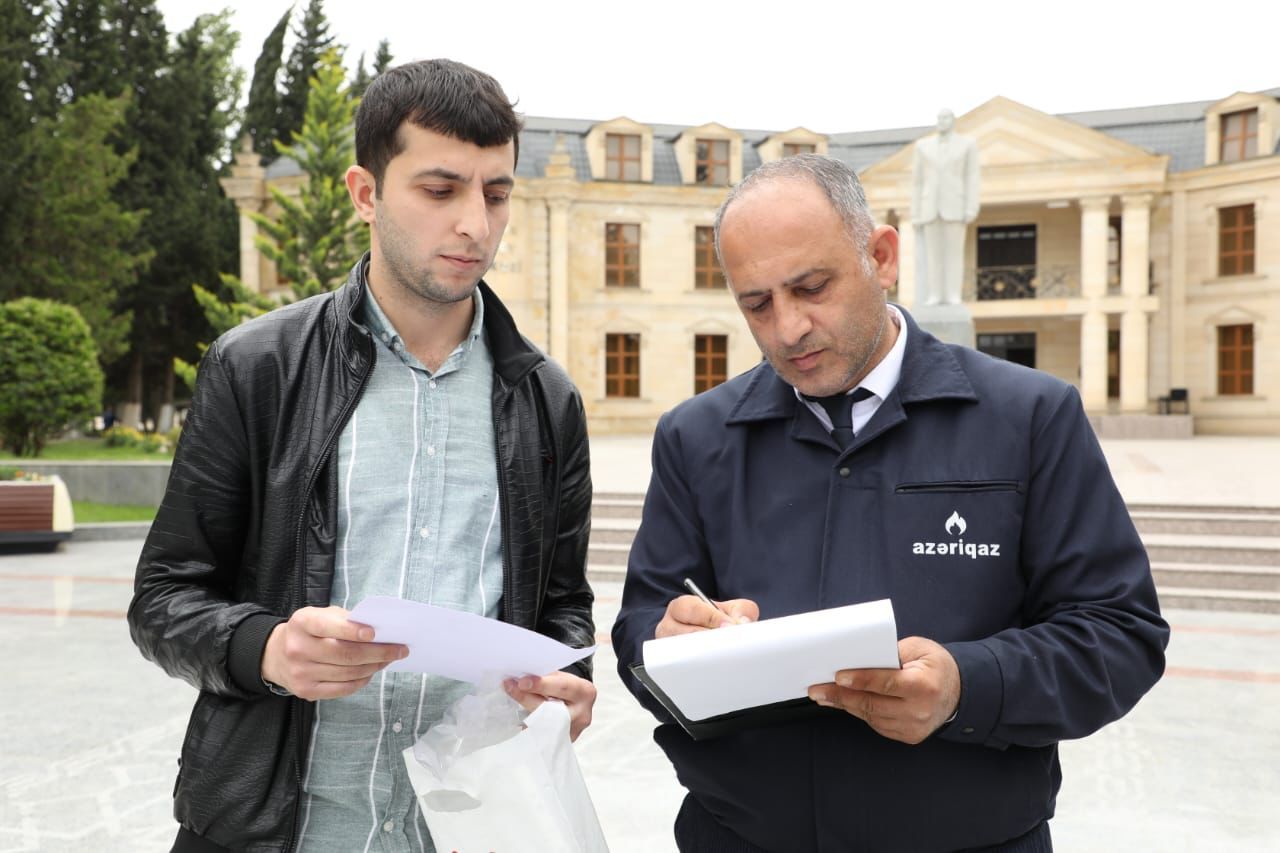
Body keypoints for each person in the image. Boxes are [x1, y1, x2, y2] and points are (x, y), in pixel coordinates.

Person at [611, 154, 1168, 853]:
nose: (787, 329)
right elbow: (638, 628)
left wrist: (967, 686)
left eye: (811, 288)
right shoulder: (694, 437)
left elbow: (1121, 634)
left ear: (882, 256)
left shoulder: (1030, 417)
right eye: (756, 303)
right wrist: (668, 640)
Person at [129, 59, 597, 853]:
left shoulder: (548, 400)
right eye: (440, 190)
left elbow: (563, 606)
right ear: (365, 192)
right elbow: (165, 596)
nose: (475, 225)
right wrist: (268, 648)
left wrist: (569, 687)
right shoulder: (257, 367)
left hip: (466, 825)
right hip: (272, 827)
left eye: (496, 193)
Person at [912, 108, 981, 306]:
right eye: (939, 118)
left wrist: (970, 207)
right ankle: (934, 294)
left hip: (955, 206)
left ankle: (952, 294)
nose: (942, 121)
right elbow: (917, 181)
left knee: (954, 254)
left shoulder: (967, 144)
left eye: (946, 118)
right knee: (933, 255)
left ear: (953, 120)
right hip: (930, 207)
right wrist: (916, 212)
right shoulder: (923, 146)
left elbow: (972, 176)